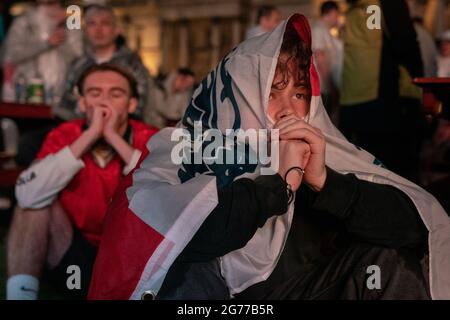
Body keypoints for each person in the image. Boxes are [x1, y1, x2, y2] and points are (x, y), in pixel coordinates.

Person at [88, 14, 450, 300]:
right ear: (237, 95)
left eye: (299, 93)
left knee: (387, 264)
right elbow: (191, 235)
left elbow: (414, 230)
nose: (287, 110)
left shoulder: (320, 147)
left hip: (300, 290)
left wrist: (325, 182)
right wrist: (279, 184)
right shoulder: (183, 147)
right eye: (272, 92)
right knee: (184, 271)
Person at [6, 63, 158, 300]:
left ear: (131, 105)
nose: (103, 102)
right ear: (82, 104)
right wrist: (89, 136)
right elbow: (27, 194)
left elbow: (163, 200)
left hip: (129, 258)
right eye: (94, 93)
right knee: (34, 203)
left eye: (115, 94)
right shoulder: (64, 134)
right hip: (73, 253)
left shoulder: (150, 137)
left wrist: (112, 138)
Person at [339, 0, 425, 182]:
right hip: (388, 100)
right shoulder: (387, 4)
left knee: (365, 173)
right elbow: (405, 42)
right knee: (398, 177)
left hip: (354, 100)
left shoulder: (355, 8)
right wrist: (421, 83)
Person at [58, 4, 150, 121]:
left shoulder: (133, 65)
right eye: (92, 24)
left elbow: (139, 106)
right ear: (85, 31)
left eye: (105, 23)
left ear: (117, 30)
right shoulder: (77, 65)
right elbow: (66, 104)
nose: (98, 29)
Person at [1, 0, 83, 107]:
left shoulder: (72, 18)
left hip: (62, 96)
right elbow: (11, 55)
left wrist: (60, 28)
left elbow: (78, 56)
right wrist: (46, 44)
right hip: (27, 93)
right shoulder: (24, 19)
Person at [311, 1, 343, 120]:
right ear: (330, 13)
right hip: (322, 88)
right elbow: (320, 59)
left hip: (326, 87)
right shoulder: (319, 29)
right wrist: (331, 86)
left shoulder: (326, 31)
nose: (338, 18)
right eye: (337, 14)